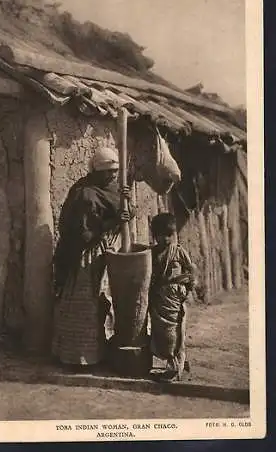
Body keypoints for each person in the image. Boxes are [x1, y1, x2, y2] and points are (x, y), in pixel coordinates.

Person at [52, 146, 135, 367]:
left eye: (116, 170)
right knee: (85, 303)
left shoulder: (113, 189)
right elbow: (84, 231)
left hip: (106, 251)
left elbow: (124, 212)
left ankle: (100, 352)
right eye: (108, 171)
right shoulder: (85, 193)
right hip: (86, 255)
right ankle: (78, 357)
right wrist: (114, 221)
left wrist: (127, 205)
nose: (113, 175)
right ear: (97, 171)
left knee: (104, 302)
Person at [149, 212, 197, 381]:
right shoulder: (153, 253)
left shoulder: (178, 252)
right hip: (159, 298)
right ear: (155, 236)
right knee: (161, 332)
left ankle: (175, 364)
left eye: (169, 235)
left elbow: (191, 269)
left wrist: (189, 287)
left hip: (174, 298)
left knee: (175, 330)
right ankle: (174, 360)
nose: (166, 239)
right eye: (161, 235)